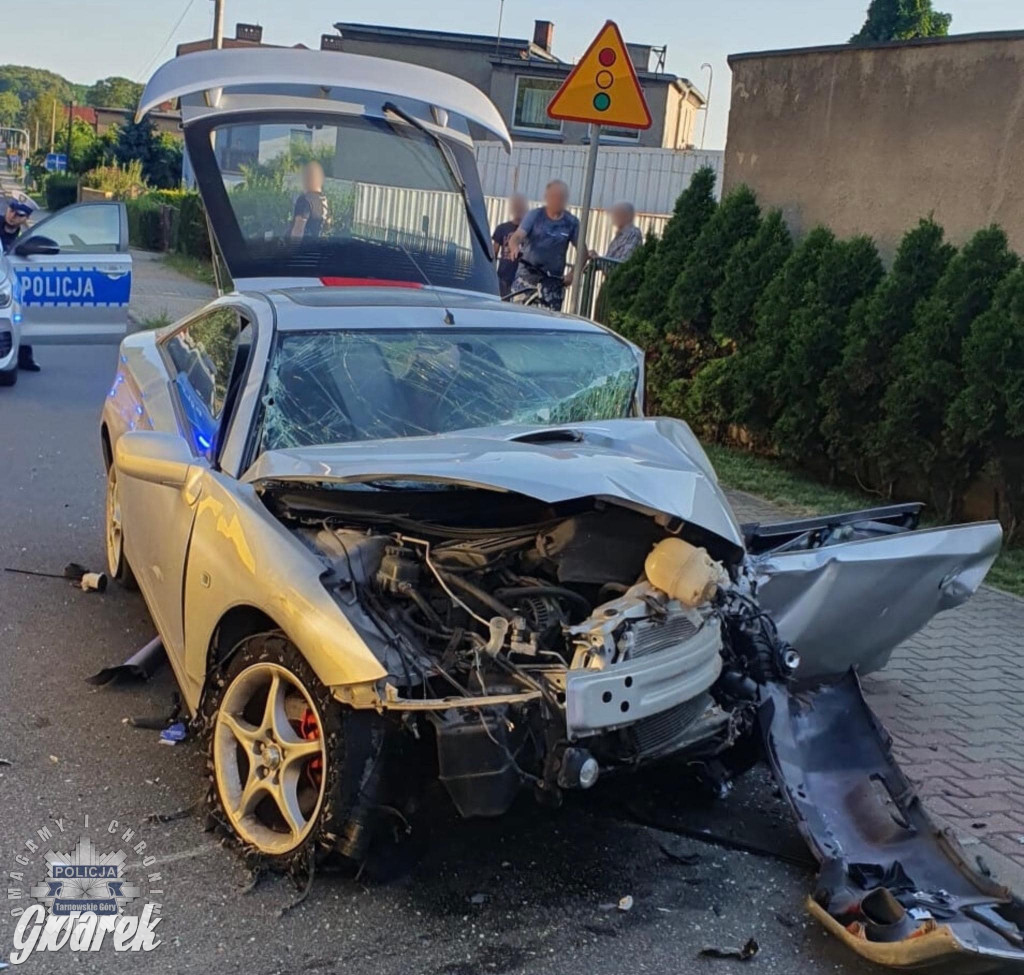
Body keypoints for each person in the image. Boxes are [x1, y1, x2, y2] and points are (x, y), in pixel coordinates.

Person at [508, 179, 582, 312]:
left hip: (553, 282)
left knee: (548, 318)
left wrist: (572, 274)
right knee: (518, 315)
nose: (556, 200)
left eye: (560, 197)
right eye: (553, 196)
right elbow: (517, 236)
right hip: (527, 277)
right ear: (547, 197)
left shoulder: (571, 223)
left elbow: (583, 252)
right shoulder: (535, 216)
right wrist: (514, 246)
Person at [1, 195, 40, 372]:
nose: (12, 216)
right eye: (11, 210)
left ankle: (25, 356)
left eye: (19, 215)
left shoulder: (26, 236)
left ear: (26, 218)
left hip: (18, 281)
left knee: (21, 314)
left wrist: (27, 229)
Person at [491, 193, 527, 298]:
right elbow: (494, 252)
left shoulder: (528, 231)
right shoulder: (502, 228)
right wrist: (491, 273)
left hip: (521, 277)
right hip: (503, 276)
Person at [289, 161, 330, 239]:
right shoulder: (324, 201)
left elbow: (298, 230)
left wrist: (292, 245)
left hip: (305, 245)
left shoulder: (305, 200)